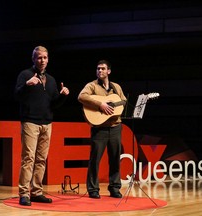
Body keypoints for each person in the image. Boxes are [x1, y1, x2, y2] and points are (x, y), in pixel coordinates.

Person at [14, 46, 70, 206]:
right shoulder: (25, 75)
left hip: (47, 123)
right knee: (28, 159)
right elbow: (16, 95)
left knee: (41, 159)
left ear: (48, 59)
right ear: (33, 59)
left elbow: (54, 104)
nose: (42, 60)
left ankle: (37, 192)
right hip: (30, 122)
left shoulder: (51, 80)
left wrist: (63, 96)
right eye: (39, 58)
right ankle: (24, 193)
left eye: (45, 57)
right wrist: (27, 84)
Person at [78, 59, 127, 199]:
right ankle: (93, 189)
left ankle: (115, 188)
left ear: (109, 71)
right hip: (100, 128)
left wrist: (118, 104)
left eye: (103, 69)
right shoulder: (92, 86)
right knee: (95, 159)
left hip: (116, 127)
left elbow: (123, 100)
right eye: (98, 68)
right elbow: (81, 96)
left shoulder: (116, 87)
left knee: (115, 159)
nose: (100, 71)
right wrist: (100, 104)